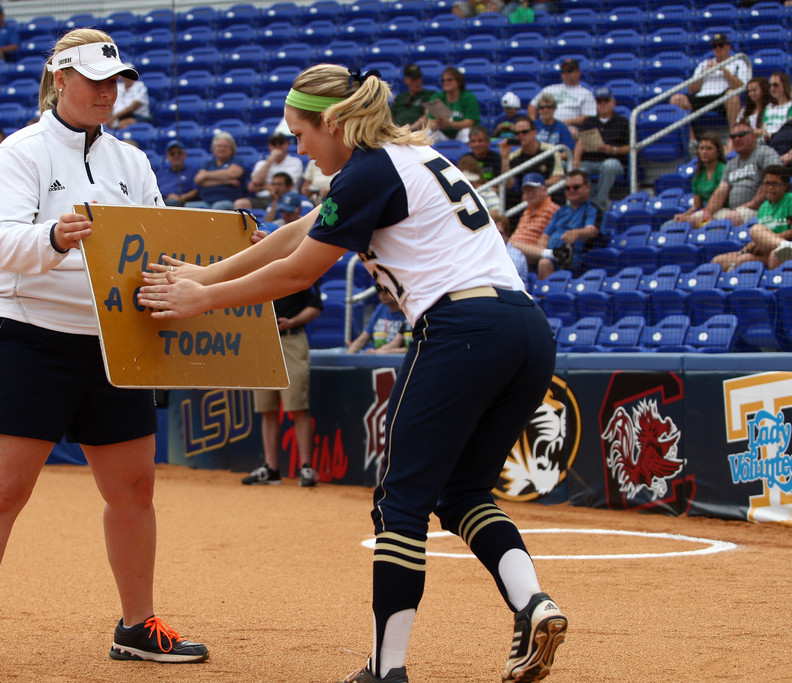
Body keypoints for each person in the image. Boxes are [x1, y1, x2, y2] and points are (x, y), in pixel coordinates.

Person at [138, 63, 565, 683]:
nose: (301, 152)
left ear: (334, 122)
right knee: (462, 492)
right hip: (525, 331)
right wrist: (204, 274)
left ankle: (385, 670)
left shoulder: (368, 170)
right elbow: (295, 232)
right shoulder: (404, 159)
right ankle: (533, 604)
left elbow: (297, 272)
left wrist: (201, 300)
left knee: (400, 502)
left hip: (461, 333)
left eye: (301, 135)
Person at [0, 28, 209, 683]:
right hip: (25, 336)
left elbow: (158, 242)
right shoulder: (18, 153)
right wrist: (54, 235)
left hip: (114, 341)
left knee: (135, 488)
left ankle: (137, 625)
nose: (107, 92)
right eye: (93, 80)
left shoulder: (132, 162)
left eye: (115, 81)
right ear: (61, 79)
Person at [240, 280, 322, 487]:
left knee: (298, 406)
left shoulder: (297, 269)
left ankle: (305, 467)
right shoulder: (254, 270)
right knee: (267, 407)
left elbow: (315, 307)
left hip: (291, 338)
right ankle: (271, 468)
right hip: (263, 340)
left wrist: (292, 321)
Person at [682, 121, 782, 228]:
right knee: (694, 219)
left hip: (762, 209)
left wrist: (752, 204)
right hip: (735, 211)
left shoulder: (765, 153)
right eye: (733, 136)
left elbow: (772, 180)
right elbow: (721, 191)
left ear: (753, 136)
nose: (737, 139)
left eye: (741, 135)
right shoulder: (732, 164)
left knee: (732, 218)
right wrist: (707, 214)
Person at [714, 165, 792, 270]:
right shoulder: (763, 207)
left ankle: (786, 247)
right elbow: (765, 235)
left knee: (755, 231)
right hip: (767, 250)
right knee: (718, 262)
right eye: (767, 183)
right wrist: (757, 243)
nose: (770, 188)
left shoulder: (790, 200)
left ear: (785, 186)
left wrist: (765, 241)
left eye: (775, 184)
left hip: (781, 253)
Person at [669, 32, 748, 132]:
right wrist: (704, 73)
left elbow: (741, 87)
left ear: (729, 47)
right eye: (715, 46)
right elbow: (692, 90)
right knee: (676, 99)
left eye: (721, 45)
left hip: (723, 97)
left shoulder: (738, 62)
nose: (718, 49)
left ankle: (732, 137)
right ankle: (691, 140)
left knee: (732, 95)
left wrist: (723, 70)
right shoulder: (703, 64)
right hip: (703, 97)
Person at [532, 169, 604, 279]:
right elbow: (545, 236)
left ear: (587, 187)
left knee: (544, 263)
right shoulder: (560, 211)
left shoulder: (592, 210)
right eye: (567, 188)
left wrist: (575, 233)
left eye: (576, 187)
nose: (571, 190)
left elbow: (592, 230)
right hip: (552, 256)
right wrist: (542, 249)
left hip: (576, 264)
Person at [573, 86, 630, 211]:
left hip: (613, 161)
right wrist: (576, 160)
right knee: (577, 170)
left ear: (613, 103)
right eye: (599, 101)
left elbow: (631, 147)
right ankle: (592, 199)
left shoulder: (623, 122)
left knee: (610, 165)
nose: (603, 104)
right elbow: (580, 142)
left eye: (606, 101)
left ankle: (598, 203)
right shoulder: (589, 121)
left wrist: (613, 150)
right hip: (590, 161)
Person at [499, 116, 564, 211]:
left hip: (547, 193)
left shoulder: (551, 151)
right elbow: (508, 184)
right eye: (517, 133)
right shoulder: (513, 156)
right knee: (508, 196)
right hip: (525, 196)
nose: (521, 136)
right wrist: (505, 158)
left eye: (525, 132)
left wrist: (535, 189)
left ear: (534, 132)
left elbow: (557, 178)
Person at [669, 132, 726, 227]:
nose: (704, 152)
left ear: (718, 151)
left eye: (709, 148)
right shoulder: (698, 174)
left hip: (722, 210)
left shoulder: (723, 169)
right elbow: (697, 205)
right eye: (702, 148)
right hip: (705, 212)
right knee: (671, 225)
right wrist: (683, 215)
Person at [236, 131, 304, 210]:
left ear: (287, 144)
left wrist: (261, 187)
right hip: (264, 198)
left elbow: (286, 185)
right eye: (274, 144)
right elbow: (254, 182)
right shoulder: (262, 163)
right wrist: (271, 159)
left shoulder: (295, 162)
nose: (278, 146)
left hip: (287, 197)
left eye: (281, 143)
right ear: (269, 146)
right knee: (240, 204)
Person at [528, 58, 595, 136]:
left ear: (578, 73)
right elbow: (532, 106)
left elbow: (589, 117)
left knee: (572, 132)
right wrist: (534, 124)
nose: (566, 74)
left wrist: (566, 122)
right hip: (544, 125)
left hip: (568, 127)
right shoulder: (550, 89)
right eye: (563, 71)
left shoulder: (585, 93)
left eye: (569, 71)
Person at [508, 172, 560, 272]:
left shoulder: (553, 209)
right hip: (512, 249)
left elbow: (546, 239)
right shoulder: (526, 212)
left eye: (533, 190)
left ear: (544, 190)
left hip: (529, 255)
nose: (530, 194)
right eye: (527, 191)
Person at [420, 65, 480, 143]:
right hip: (442, 133)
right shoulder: (437, 97)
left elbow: (470, 122)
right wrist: (437, 124)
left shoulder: (468, 97)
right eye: (443, 80)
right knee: (428, 133)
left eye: (449, 80)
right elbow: (430, 121)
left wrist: (451, 124)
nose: (446, 82)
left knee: (467, 132)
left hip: (460, 133)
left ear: (459, 81)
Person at [188, 130, 246, 210]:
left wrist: (206, 175)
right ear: (214, 148)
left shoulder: (236, 160)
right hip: (206, 201)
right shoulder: (208, 163)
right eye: (219, 146)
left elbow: (232, 173)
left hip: (228, 200)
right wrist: (226, 181)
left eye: (225, 146)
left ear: (232, 149)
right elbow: (199, 180)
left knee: (218, 207)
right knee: (189, 206)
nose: (222, 149)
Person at [347, 289, 408, 354]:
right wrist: (350, 353)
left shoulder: (408, 312)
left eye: (387, 290)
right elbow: (364, 336)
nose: (382, 294)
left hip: (393, 358)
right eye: (379, 290)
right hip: (372, 355)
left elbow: (396, 343)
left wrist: (377, 352)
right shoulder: (381, 308)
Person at [389, 63, 435, 128]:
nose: (417, 81)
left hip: (418, 132)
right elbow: (391, 118)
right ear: (406, 80)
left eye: (418, 78)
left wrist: (413, 128)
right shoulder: (400, 97)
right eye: (413, 79)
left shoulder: (430, 95)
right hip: (397, 130)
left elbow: (430, 116)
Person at [156, 140, 198, 207]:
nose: (176, 156)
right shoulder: (160, 173)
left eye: (179, 153)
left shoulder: (192, 171)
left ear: (184, 154)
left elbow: (196, 191)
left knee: (172, 202)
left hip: (182, 204)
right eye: (172, 154)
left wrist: (180, 197)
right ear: (167, 156)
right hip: (160, 203)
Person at [492, 211, 529, 282]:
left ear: (506, 236)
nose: (496, 236)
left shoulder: (516, 255)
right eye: (494, 232)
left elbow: (504, 279)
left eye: (500, 233)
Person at [762, 72, 792, 140]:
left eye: (775, 85)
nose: (772, 88)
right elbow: (764, 128)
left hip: (784, 140)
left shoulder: (790, 105)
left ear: (784, 86)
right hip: (767, 142)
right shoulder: (768, 107)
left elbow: (789, 127)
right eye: (770, 86)